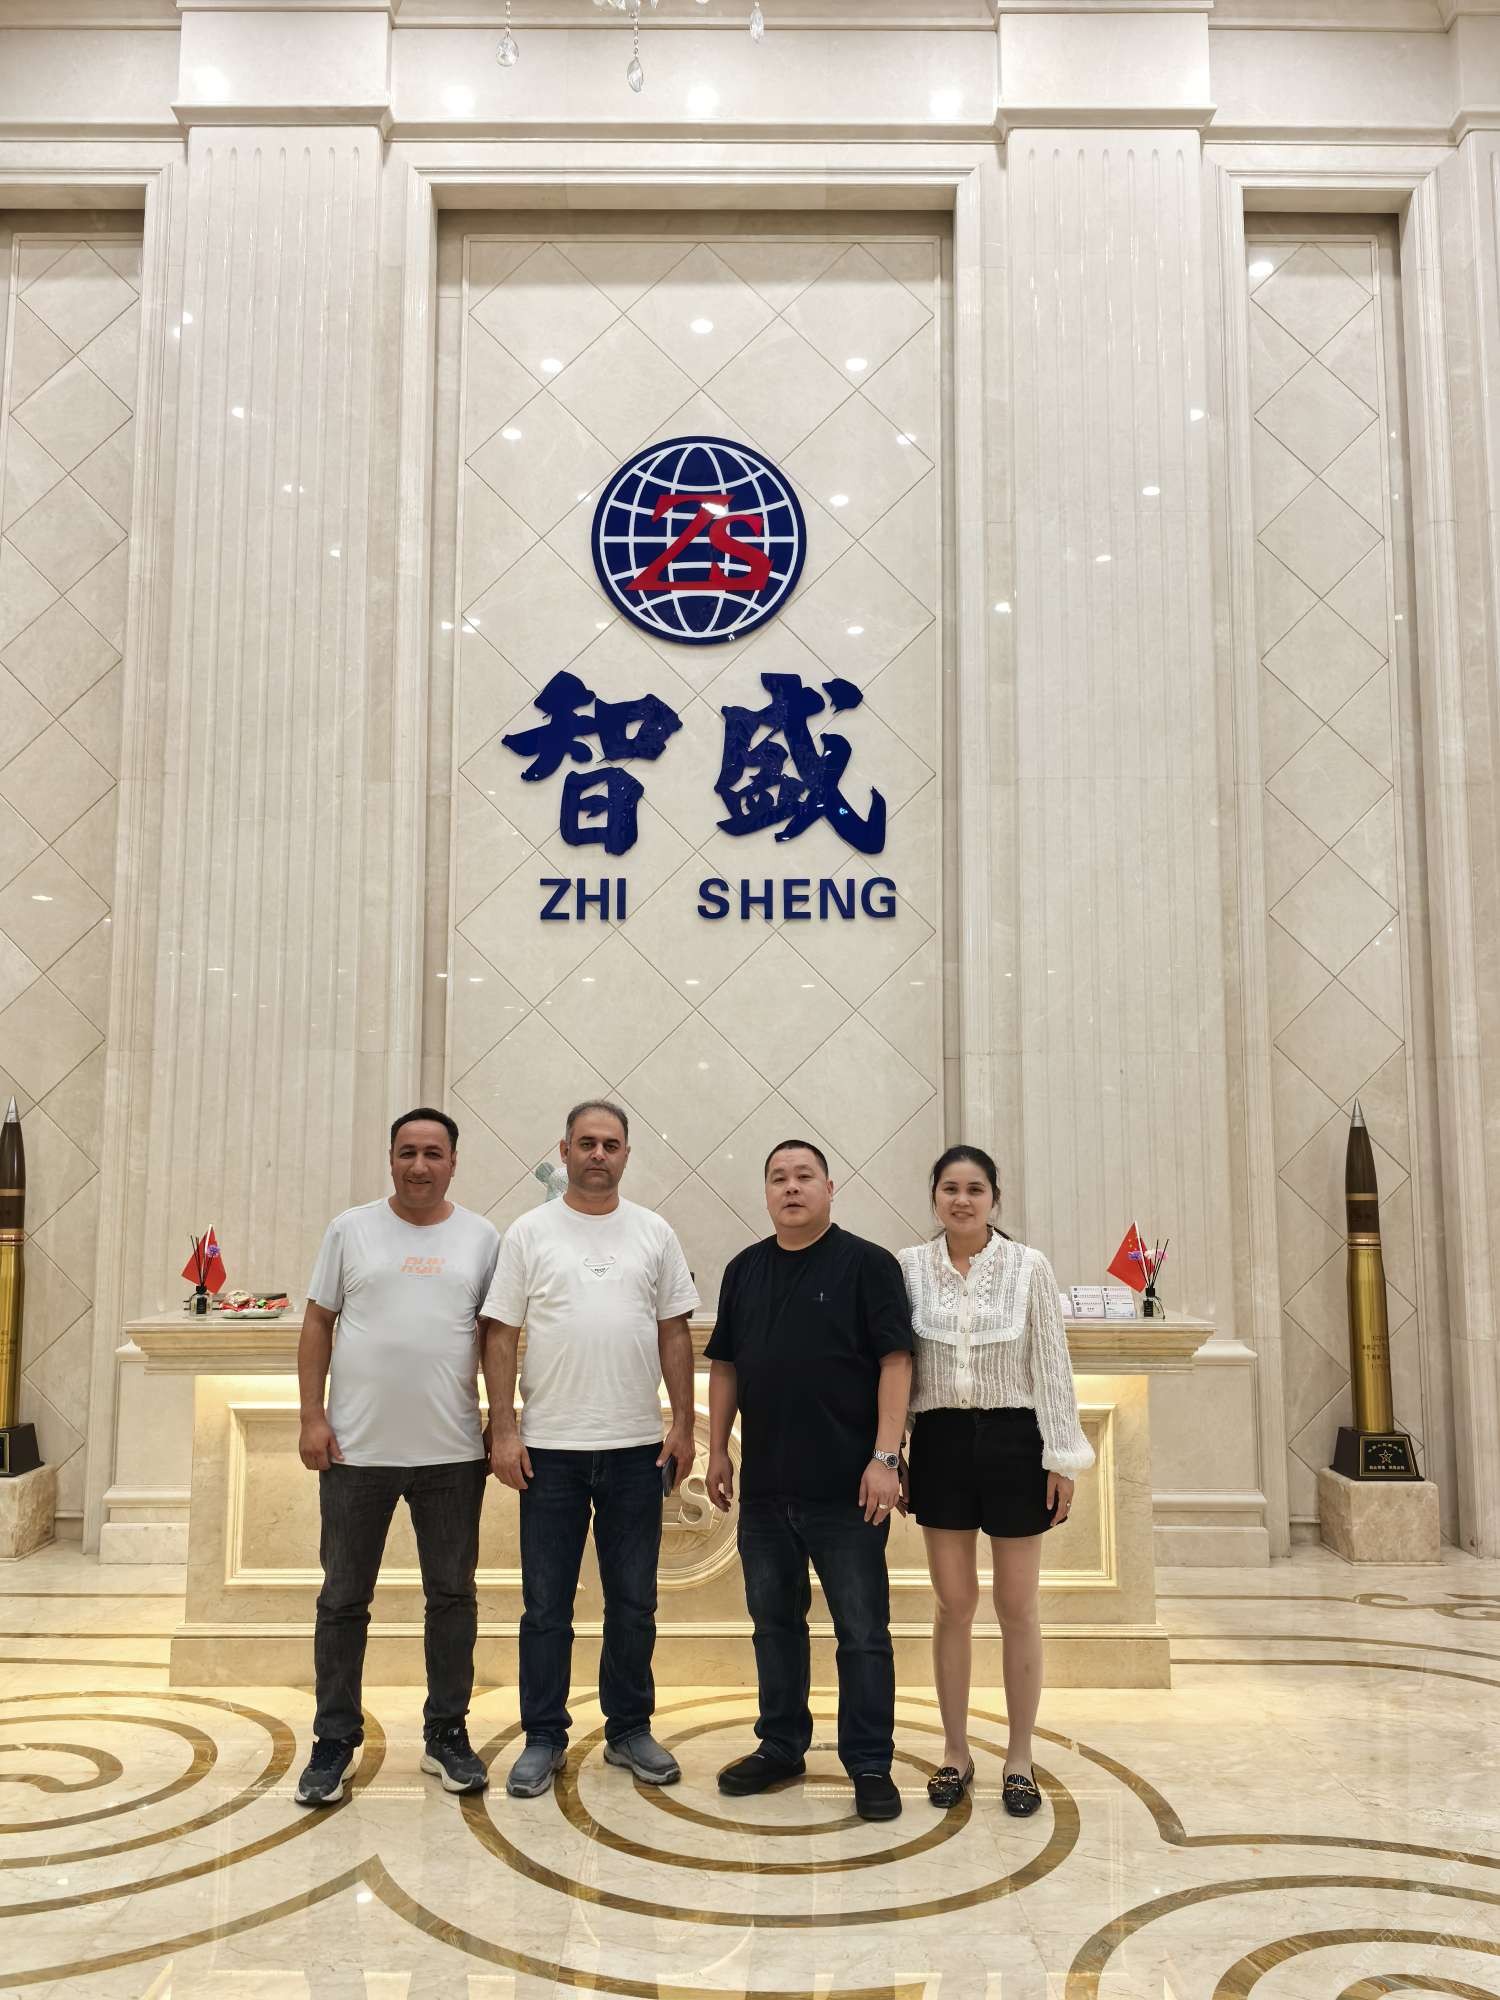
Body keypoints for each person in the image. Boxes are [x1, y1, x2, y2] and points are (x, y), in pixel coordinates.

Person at [481, 1099, 698, 1799]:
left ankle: (629, 1729)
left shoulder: (654, 1232)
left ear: (626, 1154)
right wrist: (504, 1428)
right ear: (565, 1150)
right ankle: (544, 1736)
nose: (598, 1154)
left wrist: (684, 1424)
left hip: (637, 1450)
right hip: (550, 1452)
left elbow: (673, 1331)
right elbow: (500, 1335)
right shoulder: (529, 1232)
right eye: (586, 1143)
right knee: (546, 1606)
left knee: (633, 1602)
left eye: (610, 1144)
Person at [293, 1108, 500, 1807]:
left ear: (453, 1163)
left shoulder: (482, 1238)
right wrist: (312, 1416)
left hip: (453, 1455)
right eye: (407, 1152)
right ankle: (333, 1740)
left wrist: (501, 1422)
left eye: (433, 1153)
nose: (419, 1165)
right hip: (356, 1453)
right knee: (343, 1599)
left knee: (453, 1598)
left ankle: (447, 1734)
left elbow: (495, 1337)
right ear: (390, 1159)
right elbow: (317, 1322)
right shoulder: (350, 1230)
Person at [706, 1139, 913, 1823]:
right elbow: (726, 1365)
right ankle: (781, 1745)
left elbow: (895, 1362)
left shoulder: (868, 1264)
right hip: (767, 1489)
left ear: (830, 1187)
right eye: (778, 1178)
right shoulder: (744, 1269)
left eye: (803, 1176)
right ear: (766, 1192)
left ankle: (870, 1762)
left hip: (849, 1489)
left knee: (862, 1630)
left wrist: (886, 1458)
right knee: (774, 1625)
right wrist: (718, 1451)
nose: (790, 1188)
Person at [898, 1145, 1094, 1818]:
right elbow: (898, 1366)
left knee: (1017, 1607)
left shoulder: (1028, 1267)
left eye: (974, 1189)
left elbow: (1052, 1364)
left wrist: (1062, 1458)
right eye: (949, 1188)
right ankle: (955, 1752)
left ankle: (1019, 1758)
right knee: (953, 1605)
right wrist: (894, 1451)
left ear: (994, 1199)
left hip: (1015, 1442)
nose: (962, 1200)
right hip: (940, 1443)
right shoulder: (908, 1269)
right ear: (934, 1197)